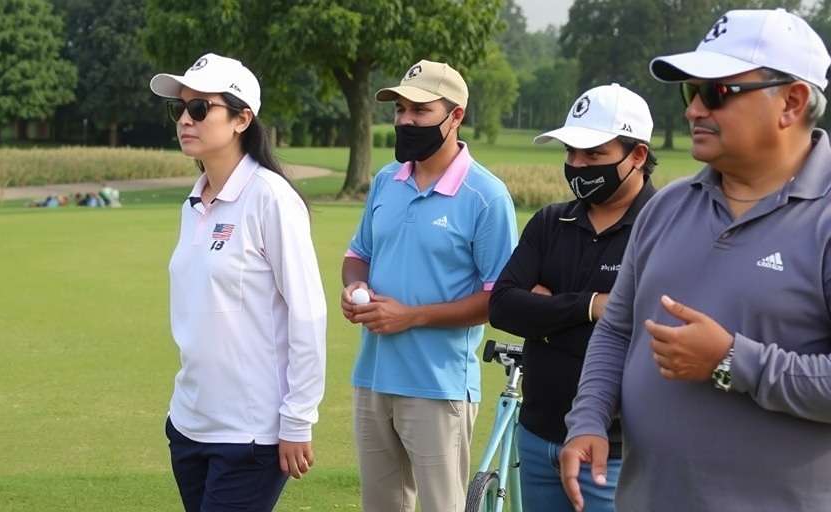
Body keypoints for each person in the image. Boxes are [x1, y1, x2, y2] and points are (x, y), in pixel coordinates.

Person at [560, 9, 831, 512]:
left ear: (791, 102)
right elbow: (619, 330)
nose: (692, 111)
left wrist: (732, 361)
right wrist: (589, 419)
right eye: (690, 92)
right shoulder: (667, 206)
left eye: (716, 92)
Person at [150, 53, 327, 511]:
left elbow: (307, 313)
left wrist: (297, 420)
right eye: (181, 109)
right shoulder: (194, 201)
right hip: (190, 424)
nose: (185, 120)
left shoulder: (270, 198)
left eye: (200, 108)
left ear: (242, 118)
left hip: (251, 433)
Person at [341, 60, 518, 512]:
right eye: (400, 109)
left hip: (439, 387)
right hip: (373, 378)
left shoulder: (486, 196)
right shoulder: (386, 180)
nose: (405, 121)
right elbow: (357, 254)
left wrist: (411, 316)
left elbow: (499, 297)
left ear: (455, 115)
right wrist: (354, 287)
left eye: (420, 110)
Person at [489, 83, 658, 512]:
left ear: (637, 156)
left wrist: (544, 315)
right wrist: (589, 307)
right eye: (570, 153)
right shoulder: (550, 221)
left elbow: (647, 336)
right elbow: (503, 306)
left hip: (618, 452)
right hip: (536, 433)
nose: (577, 165)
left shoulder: (663, 229)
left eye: (593, 155)